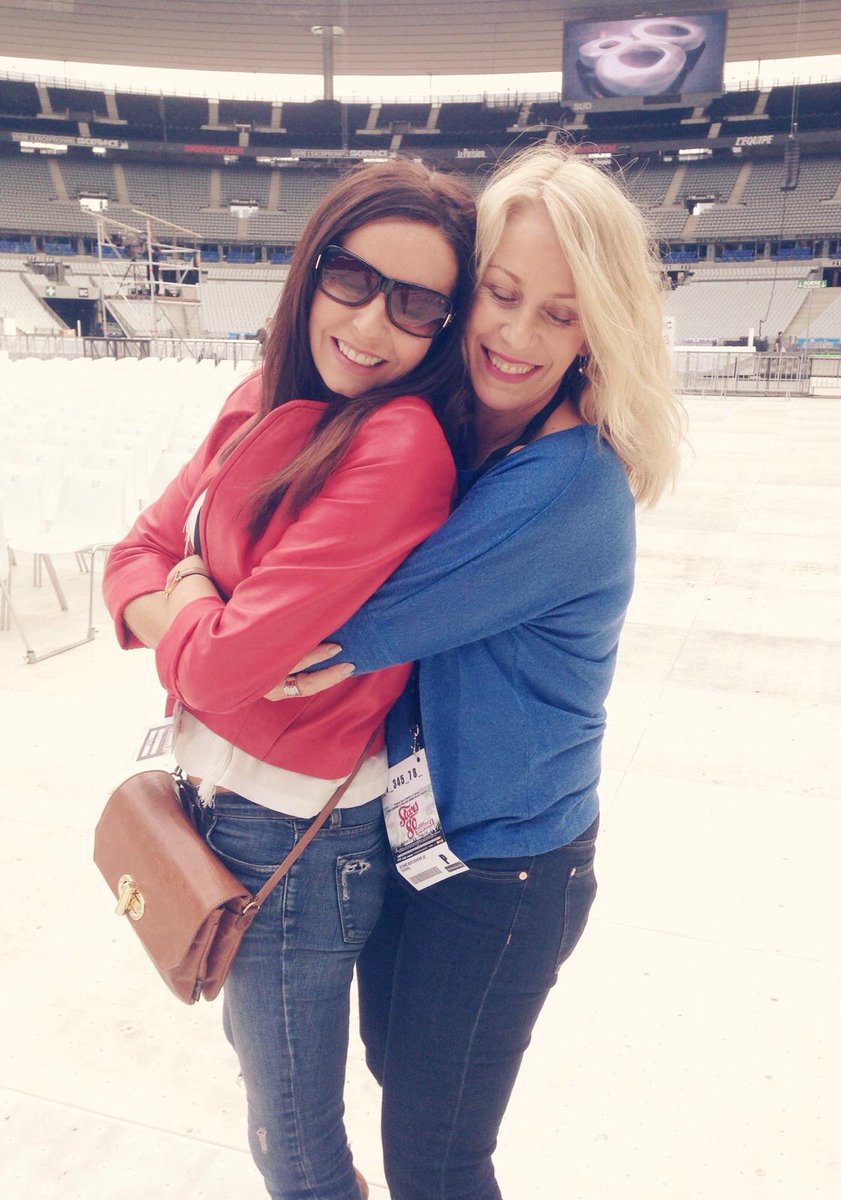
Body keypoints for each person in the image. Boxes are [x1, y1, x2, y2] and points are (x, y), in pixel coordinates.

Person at [273, 145, 685, 1199]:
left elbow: (322, 629)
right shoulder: (462, 433)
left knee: (440, 1157)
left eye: (561, 312)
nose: (515, 335)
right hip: (417, 842)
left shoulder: (564, 485)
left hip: (506, 872)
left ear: (601, 326)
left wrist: (186, 578)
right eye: (502, 295)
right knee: (397, 1078)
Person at [102, 158, 476, 1200]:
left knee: (295, 1142)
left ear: (442, 326)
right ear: (311, 269)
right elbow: (129, 553)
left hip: (296, 846)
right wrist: (189, 596)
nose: (370, 326)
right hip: (224, 806)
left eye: (415, 305)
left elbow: (219, 669)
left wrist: (181, 590)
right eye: (353, 279)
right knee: (275, 1109)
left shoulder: (398, 445)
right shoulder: (260, 395)